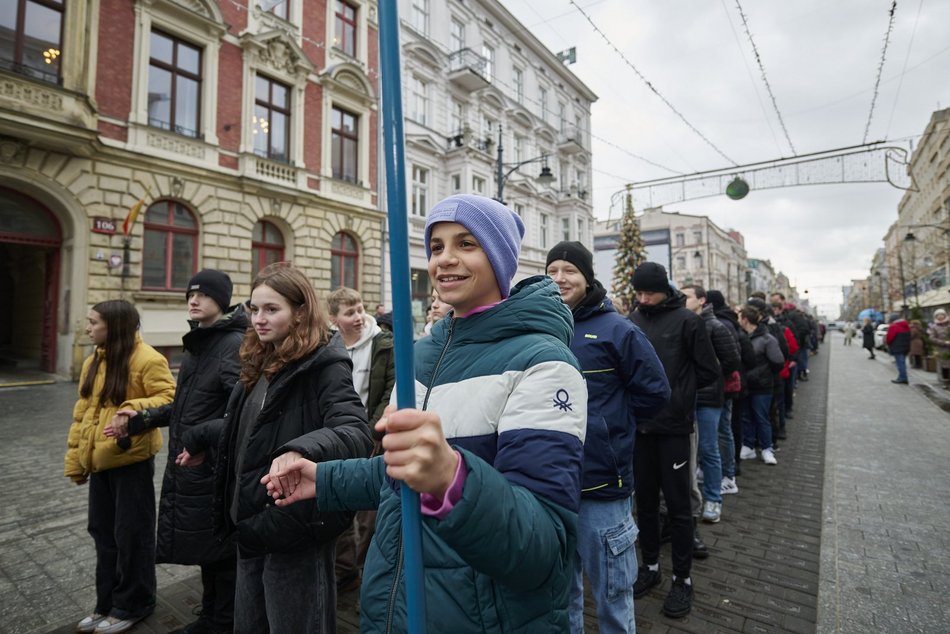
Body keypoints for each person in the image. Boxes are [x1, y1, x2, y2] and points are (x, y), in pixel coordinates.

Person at [262, 194, 588, 631]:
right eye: (436, 247)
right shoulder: (419, 354)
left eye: (466, 243)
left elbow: (544, 548)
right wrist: (324, 479)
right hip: (395, 606)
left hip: (482, 618)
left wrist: (452, 478)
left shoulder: (544, 362)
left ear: (499, 257)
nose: (444, 259)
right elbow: (400, 477)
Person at [179, 263, 373, 633]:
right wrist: (202, 436)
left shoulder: (324, 363)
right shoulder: (261, 356)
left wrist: (302, 449)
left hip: (294, 523)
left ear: (300, 312)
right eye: (254, 309)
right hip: (250, 520)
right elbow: (252, 429)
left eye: (271, 309)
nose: (259, 319)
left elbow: (355, 430)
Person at [109, 271, 247, 634]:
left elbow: (241, 415)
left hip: (214, 465)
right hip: (195, 464)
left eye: (203, 295)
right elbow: (187, 407)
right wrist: (143, 419)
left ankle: (222, 622)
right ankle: (213, 615)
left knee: (221, 547)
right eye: (190, 295)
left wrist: (201, 440)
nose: (193, 300)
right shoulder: (200, 343)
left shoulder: (231, 345)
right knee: (208, 545)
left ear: (222, 301)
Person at [546, 241, 670, 633]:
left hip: (601, 486)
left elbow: (655, 392)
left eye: (569, 270)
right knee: (561, 598)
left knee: (613, 597)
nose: (560, 278)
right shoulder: (541, 328)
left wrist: (612, 426)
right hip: (549, 485)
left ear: (587, 278)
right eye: (552, 271)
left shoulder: (617, 330)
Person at [65, 300, 176, 634]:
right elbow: (82, 414)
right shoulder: (93, 360)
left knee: (132, 535)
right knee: (103, 533)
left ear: (113, 326)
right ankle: (106, 604)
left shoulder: (148, 359)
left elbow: (170, 400)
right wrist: (76, 462)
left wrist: (133, 408)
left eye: (93, 322)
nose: (88, 328)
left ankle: (134, 603)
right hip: (100, 463)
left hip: (131, 462)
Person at [628, 262, 719, 619]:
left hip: (675, 429)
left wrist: (680, 396)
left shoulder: (687, 321)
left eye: (649, 292)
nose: (643, 298)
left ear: (664, 289)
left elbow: (709, 371)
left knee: (679, 508)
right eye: (638, 292)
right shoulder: (633, 320)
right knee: (646, 504)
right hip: (640, 427)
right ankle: (650, 566)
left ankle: (683, 578)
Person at [326, 286, 396, 593]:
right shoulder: (328, 346)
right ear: (334, 319)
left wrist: (374, 430)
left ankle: (368, 573)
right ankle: (344, 571)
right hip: (337, 437)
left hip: (372, 437)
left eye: (360, 309)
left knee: (370, 513)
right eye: (349, 312)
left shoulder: (382, 343)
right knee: (337, 504)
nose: (358, 316)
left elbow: (390, 388)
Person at [682, 285, 740, 525]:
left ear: (701, 300)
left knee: (709, 448)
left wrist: (709, 377)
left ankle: (714, 499)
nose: (683, 300)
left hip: (708, 397)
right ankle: (693, 498)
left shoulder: (715, 326)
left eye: (687, 297)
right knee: (689, 450)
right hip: (686, 396)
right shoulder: (683, 323)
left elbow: (732, 360)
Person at [738, 305, 784, 465]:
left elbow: (778, 362)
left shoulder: (767, 339)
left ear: (745, 320)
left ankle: (767, 448)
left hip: (762, 386)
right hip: (746, 385)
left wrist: (762, 374)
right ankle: (748, 445)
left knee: (762, 417)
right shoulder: (741, 336)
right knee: (746, 417)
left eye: (740, 317)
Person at [885, 314, 911, 384]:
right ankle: (901, 377)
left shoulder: (893, 326)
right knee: (902, 363)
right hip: (905, 346)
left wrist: (888, 343)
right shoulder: (905, 325)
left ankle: (903, 378)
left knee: (900, 363)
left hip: (897, 347)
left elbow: (889, 337)